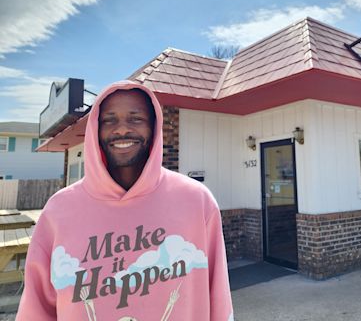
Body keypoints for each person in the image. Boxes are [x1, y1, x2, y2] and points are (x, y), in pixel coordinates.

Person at [17, 81, 233, 321]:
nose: (121, 129)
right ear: (95, 130)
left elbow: (219, 300)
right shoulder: (58, 211)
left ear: (154, 128)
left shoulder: (196, 201)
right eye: (109, 120)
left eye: (136, 118)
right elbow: (36, 310)